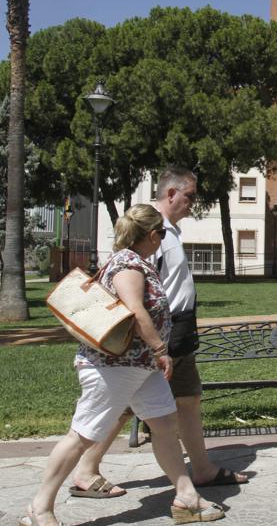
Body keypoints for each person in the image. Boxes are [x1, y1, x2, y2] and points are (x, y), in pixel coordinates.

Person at [21, 204, 224, 526]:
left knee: (165, 425)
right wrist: (160, 349)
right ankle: (38, 510)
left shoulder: (135, 262)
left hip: (139, 366)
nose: (163, 239)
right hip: (115, 367)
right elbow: (135, 311)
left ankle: (187, 497)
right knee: (82, 436)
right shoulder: (129, 265)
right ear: (152, 234)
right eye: (161, 234)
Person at [70, 167, 248, 499]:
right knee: (132, 404)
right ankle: (86, 469)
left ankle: (201, 469)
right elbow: (136, 291)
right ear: (171, 193)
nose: (193, 202)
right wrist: (156, 343)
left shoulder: (169, 232)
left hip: (178, 330)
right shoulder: (154, 234)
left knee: (185, 398)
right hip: (163, 335)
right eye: (189, 196)